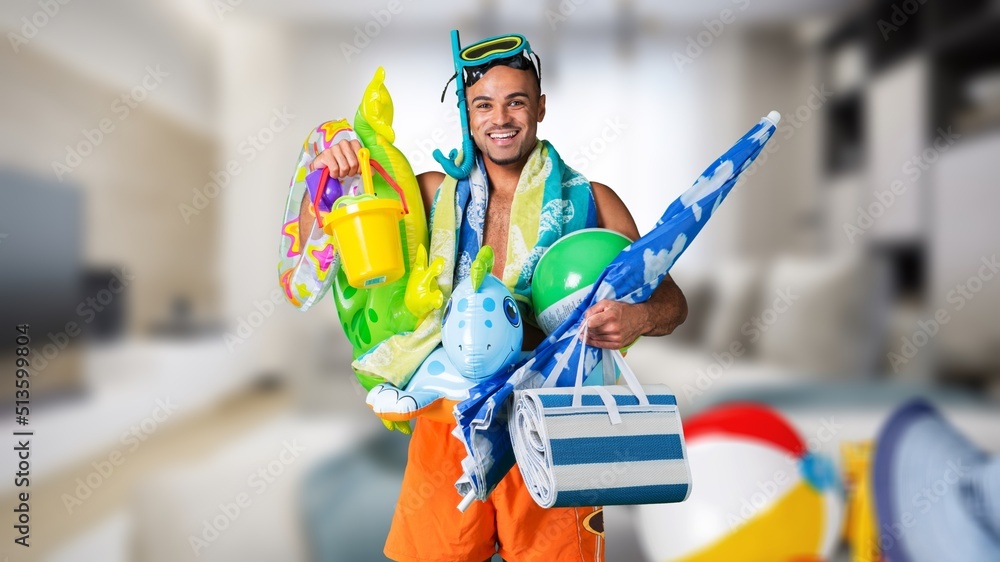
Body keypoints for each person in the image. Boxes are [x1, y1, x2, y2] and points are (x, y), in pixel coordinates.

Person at [305, 32, 687, 562]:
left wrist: (638, 315)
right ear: (466, 112)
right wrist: (335, 164)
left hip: (556, 422)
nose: (500, 118)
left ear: (541, 107)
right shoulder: (432, 194)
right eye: (483, 104)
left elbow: (671, 299)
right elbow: (329, 234)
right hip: (449, 422)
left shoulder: (593, 202)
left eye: (516, 102)